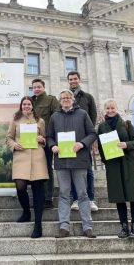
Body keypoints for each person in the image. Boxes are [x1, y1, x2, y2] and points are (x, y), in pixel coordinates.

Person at [47, 89, 97, 238]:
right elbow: (49, 136)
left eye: (68, 97)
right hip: (62, 162)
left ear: (73, 99)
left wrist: (82, 144)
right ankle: (64, 227)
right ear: (60, 101)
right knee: (63, 194)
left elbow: (92, 133)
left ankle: (87, 227)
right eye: (63, 98)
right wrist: (52, 146)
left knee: (82, 194)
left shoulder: (82, 114)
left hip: (79, 161)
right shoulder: (54, 117)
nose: (65, 100)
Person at [97, 99, 134, 239]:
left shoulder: (126, 124)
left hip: (128, 163)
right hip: (113, 164)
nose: (110, 111)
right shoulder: (102, 126)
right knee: (119, 196)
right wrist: (106, 161)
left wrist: (126, 145)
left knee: (133, 195)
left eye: (112, 108)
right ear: (105, 110)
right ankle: (124, 226)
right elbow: (100, 146)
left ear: (117, 109)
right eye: (108, 108)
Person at [6, 96, 48, 238]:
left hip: (37, 158)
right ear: (21, 106)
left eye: (29, 104)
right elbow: (9, 138)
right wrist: (13, 145)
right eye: (24, 104)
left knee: (38, 190)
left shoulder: (40, 121)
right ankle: (26, 212)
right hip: (21, 157)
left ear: (32, 105)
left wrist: (42, 139)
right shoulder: (15, 120)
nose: (26, 106)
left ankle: (38, 225)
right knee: (20, 187)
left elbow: (45, 138)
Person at [67, 71, 99, 212]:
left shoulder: (88, 97)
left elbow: (93, 119)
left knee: (88, 170)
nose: (73, 81)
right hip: (69, 141)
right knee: (73, 170)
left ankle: (90, 199)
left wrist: (89, 138)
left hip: (84, 141)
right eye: (70, 79)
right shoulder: (65, 97)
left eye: (75, 79)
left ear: (79, 80)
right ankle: (75, 199)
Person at [31, 79, 60, 209]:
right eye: (34, 87)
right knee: (35, 168)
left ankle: (48, 198)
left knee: (47, 168)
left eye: (39, 87)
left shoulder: (51, 100)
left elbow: (56, 119)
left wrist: (50, 137)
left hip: (47, 140)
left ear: (43, 87)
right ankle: (38, 197)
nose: (36, 89)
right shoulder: (30, 101)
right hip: (32, 141)